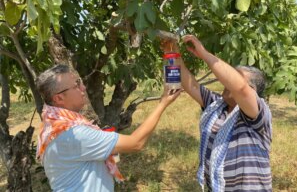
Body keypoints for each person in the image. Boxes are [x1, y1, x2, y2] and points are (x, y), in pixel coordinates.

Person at [35, 64, 180, 192]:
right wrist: (163, 104)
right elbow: (136, 143)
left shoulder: (51, 124)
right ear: (59, 98)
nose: (83, 88)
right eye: (76, 85)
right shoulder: (74, 134)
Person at [162, 35, 272, 192]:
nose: (227, 82)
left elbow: (240, 88)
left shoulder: (258, 114)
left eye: (235, 78)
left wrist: (204, 54)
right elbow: (190, 84)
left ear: (252, 91)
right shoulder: (217, 104)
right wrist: (172, 53)